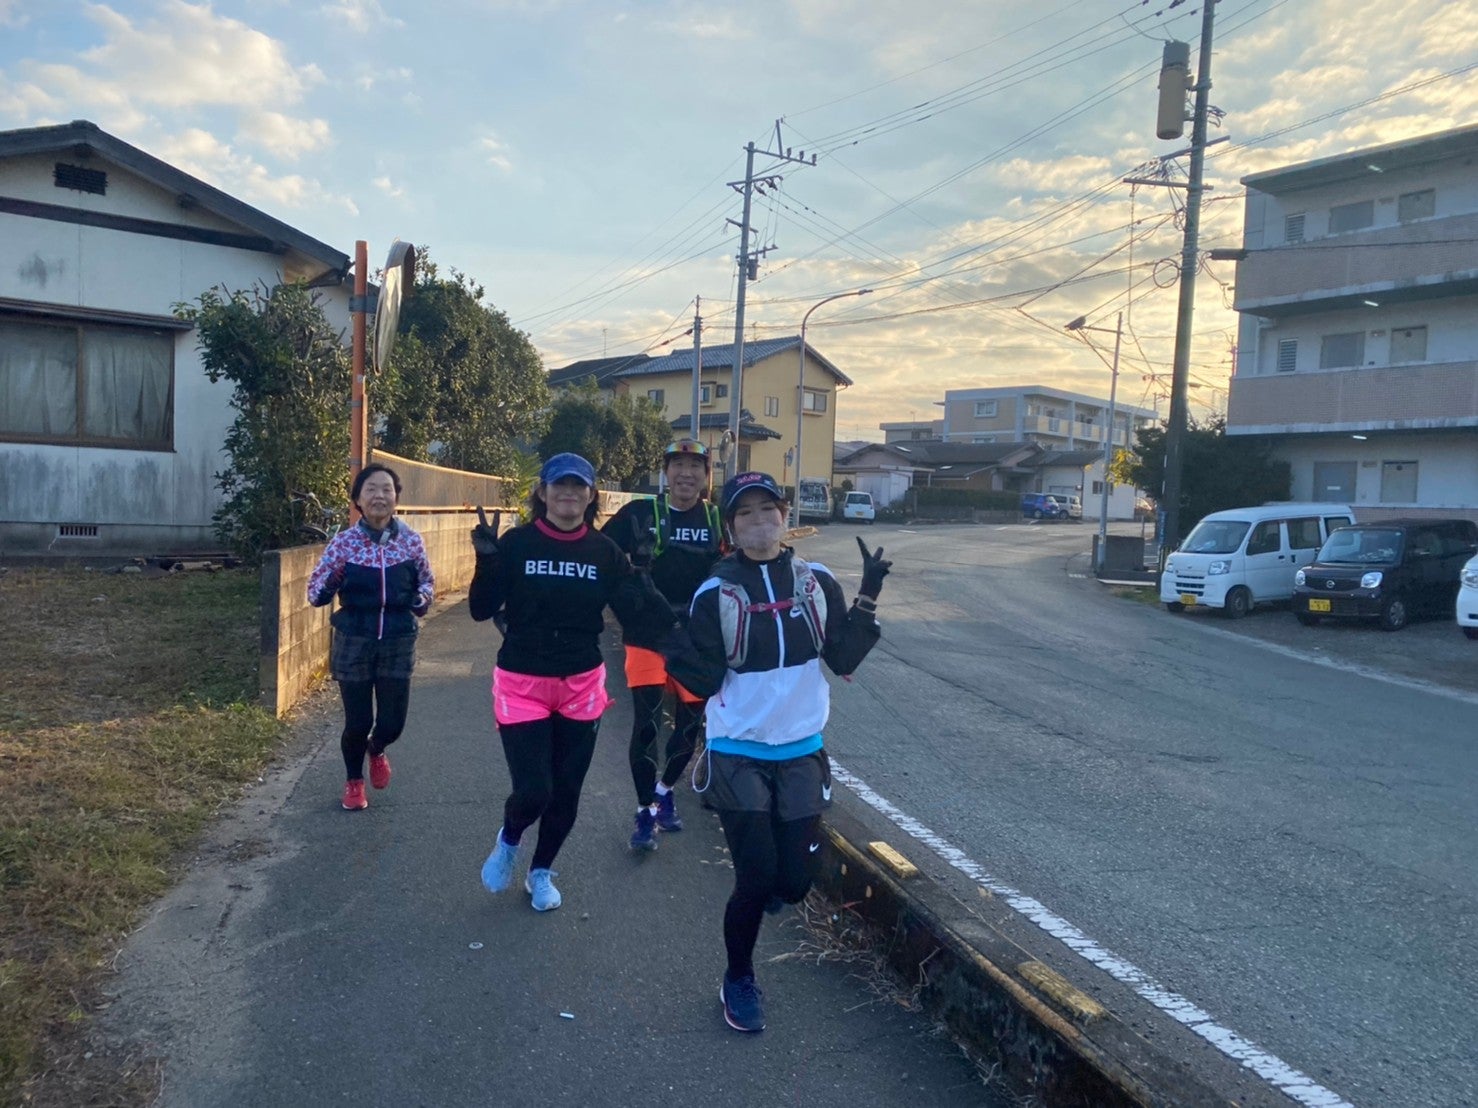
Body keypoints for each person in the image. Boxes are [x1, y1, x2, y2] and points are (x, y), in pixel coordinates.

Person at [664, 471, 891, 1033]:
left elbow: (841, 657)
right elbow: (702, 677)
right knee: (755, 877)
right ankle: (738, 977)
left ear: (785, 517)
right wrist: (668, 636)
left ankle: (771, 889)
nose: (759, 520)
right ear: (731, 527)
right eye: (745, 512)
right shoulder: (715, 592)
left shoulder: (817, 581)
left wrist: (867, 598)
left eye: (768, 509)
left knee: (794, 882)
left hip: (801, 748)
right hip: (737, 750)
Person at [468, 453, 672, 912]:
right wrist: (486, 561)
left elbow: (638, 616)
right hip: (522, 680)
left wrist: (642, 572)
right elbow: (481, 609)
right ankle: (510, 838)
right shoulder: (518, 543)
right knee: (533, 790)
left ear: (590, 495)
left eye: (579, 485)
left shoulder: (604, 552)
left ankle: (540, 872)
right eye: (559, 484)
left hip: (581, 683)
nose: (569, 493)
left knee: (566, 791)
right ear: (542, 492)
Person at [600, 438, 726, 850]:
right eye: (678, 465)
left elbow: (746, 566)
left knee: (689, 727)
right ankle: (643, 812)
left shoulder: (718, 520)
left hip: (696, 640)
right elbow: (596, 556)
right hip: (647, 635)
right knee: (647, 724)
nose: (686, 473)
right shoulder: (638, 514)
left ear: (706, 475)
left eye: (695, 466)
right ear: (666, 472)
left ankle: (664, 790)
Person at [307, 463, 434, 811]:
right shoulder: (344, 543)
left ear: (396, 498)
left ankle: (376, 749)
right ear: (358, 500)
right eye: (371, 490)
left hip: (398, 639)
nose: (380, 496)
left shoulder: (411, 541)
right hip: (354, 640)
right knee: (358, 721)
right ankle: (354, 781)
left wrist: (421, 599)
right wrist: (333, 580)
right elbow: (315, 592)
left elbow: (427, 581)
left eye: (387, 489)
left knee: (392, 724)